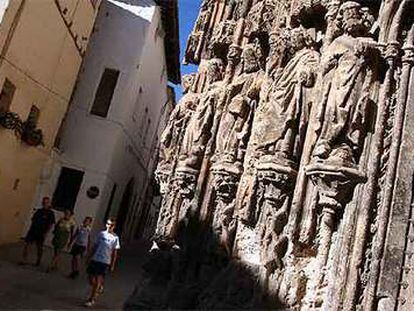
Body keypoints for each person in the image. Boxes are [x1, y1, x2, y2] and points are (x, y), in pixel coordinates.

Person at [85, 218, 120, 307]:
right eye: (108, 224)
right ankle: (98, 287)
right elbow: (95, 246)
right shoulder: (101, 234)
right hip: (95, 259)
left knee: (97, 280)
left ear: (114, 227)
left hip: (104, 261)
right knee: (91, 279)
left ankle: (91, 299)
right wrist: (88, 256)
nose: (109, 226)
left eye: (112, 225)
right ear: (106, 225)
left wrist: (112, 264)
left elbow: (114, 253)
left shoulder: (115, 238)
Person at [21, 196, 55, 266]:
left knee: (39, 247)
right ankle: (24, 260)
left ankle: (38, 260)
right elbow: (33, 220)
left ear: (49, 203)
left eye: (46, 202)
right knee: (27, 245)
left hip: (41, 232)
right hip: (33, 231)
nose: (44, 204)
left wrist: (46, 233)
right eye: (44, 202)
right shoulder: (39, 211)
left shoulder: (50, 213)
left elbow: (51, 224)